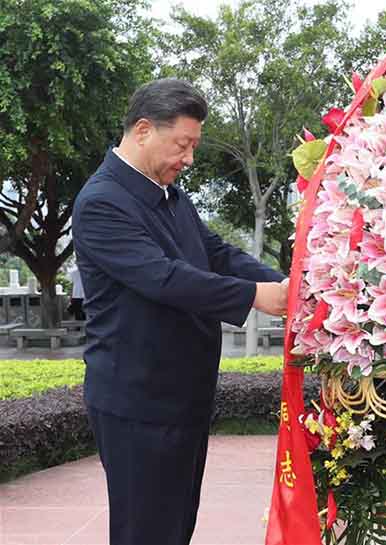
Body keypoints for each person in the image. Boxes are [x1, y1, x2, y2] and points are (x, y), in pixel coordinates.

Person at [72, 78, 288, 545]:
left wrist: (282, 283)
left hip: (182, 395)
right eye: (183, 144)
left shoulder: (167, 193)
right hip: (138, 402)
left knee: (173, 527)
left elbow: (213, 251)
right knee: (144, 532)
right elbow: (164, 278)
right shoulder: (102, 202)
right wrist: (254, 296)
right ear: (145, 130)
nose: (188, 159)